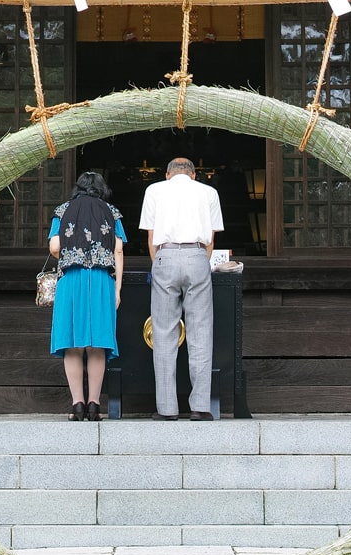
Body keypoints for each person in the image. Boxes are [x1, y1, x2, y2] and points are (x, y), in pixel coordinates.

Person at [138, 156, 224, 420]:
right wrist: (200, 261)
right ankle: (200, 407)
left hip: (164, 254)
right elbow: (211, 240)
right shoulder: (209, 192)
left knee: (164, 332)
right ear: (194, 174)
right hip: (197, 255)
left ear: (167, 174)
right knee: (201, 331)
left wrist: (159, 263)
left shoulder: (154, 190)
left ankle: (167, 409)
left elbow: (150, 237)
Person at [48, 171, 125, 421]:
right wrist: (117, 289)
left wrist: (74, 252)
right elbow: (118, 250)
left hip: (71, 280)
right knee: (97, 345)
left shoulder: (62, 210)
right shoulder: (111, 212)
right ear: (102, 189)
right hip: (101, 280)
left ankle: (77, 406)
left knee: (72, 344)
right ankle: (94, 405)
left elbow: (55, 247)